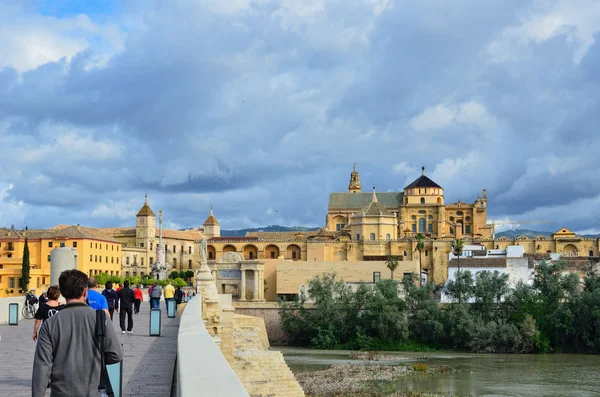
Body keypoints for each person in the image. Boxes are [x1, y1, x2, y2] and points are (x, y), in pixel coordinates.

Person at [32, 269, 123, 397]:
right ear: (85, 291)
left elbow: (42, 366)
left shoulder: (50, 324)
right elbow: (116, 355)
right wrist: (96, 360)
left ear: (63, 293)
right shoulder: (101, 319)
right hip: (92, 390)